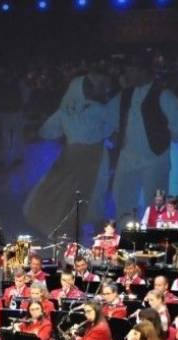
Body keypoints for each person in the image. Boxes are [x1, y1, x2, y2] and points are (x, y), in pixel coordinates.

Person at [23, 67, 114, 237]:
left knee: (69, 190)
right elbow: (109, 129)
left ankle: (72, 225)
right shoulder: (99, 109)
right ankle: (84, 224)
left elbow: (48, 131)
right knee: (91, 190)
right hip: (92, 155)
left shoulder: (66, 110)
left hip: (76, 154)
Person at [109, 54, 178, 220]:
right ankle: (126, 233)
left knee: (156, 205)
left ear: (142, 71)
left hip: (154, 159)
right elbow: (109, 116)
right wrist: (114, 133)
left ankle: (155, 235)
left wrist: (165, 137)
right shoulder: (125, 94)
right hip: (127, 157)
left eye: (131, 70)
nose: (127, 74)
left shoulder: (163, 95)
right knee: (122, 199)